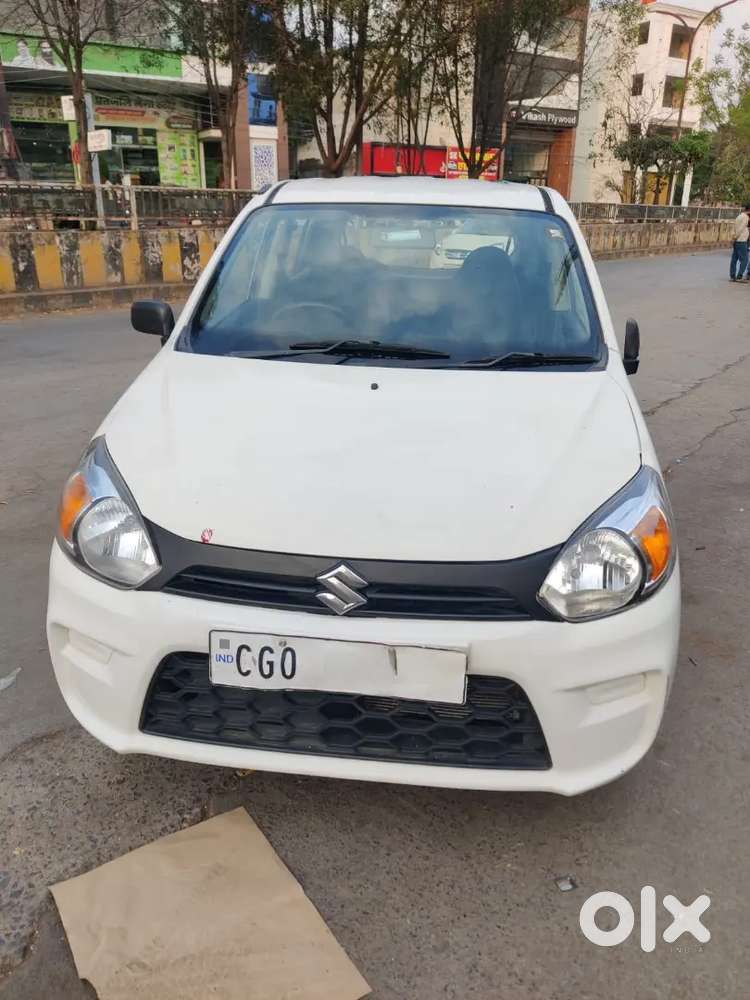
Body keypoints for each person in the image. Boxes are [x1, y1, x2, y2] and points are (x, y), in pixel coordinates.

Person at [730, 204, 750, 281]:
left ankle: (732, 275)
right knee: (745, 260)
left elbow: (734, 228)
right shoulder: (745, 218)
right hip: (741, 240)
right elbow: (740, 229)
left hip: (737, 240)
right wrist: (735, 237)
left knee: (734, 259)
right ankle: (739, 276)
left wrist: (733, 238)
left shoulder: (739, 216)